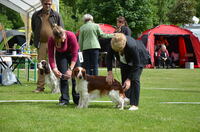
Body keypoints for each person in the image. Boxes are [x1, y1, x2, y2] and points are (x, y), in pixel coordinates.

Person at [106, 33, 150, 111]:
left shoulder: (132, 46)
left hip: (139, 57)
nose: (117, 52)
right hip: (125, 59)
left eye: (119, 50)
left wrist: (129, 79)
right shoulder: (113, 43)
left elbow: (136, 64)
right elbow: (109, 57)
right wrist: (109, 72)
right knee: (124, 79)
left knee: (135, 79)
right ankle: (125, 101)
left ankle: (134, 104)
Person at [31, 0, 64, 93]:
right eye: (46, 3)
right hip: (41, 43)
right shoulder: (36, 15)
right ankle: (40, 87)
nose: (48, 5)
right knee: (40, 66)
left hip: (54, 44)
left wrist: (59, 43)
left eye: (49, 4)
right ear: (42, 3)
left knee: (54, 65)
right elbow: (34, 28)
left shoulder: (56, 15)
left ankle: (56, 87)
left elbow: (61, 29)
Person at [48, 25, 79, 106]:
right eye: (61, 39)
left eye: (64, 37)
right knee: (63, 76)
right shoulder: (51, 39)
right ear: (55, 38)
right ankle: (64, 100)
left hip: (73, 54)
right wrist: (54, 69)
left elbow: (75, 54)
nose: (63, 39)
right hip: (61, 55)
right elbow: (51, 55)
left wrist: (70, 69)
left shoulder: (71, 35)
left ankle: (78, 99)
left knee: (76, 76)